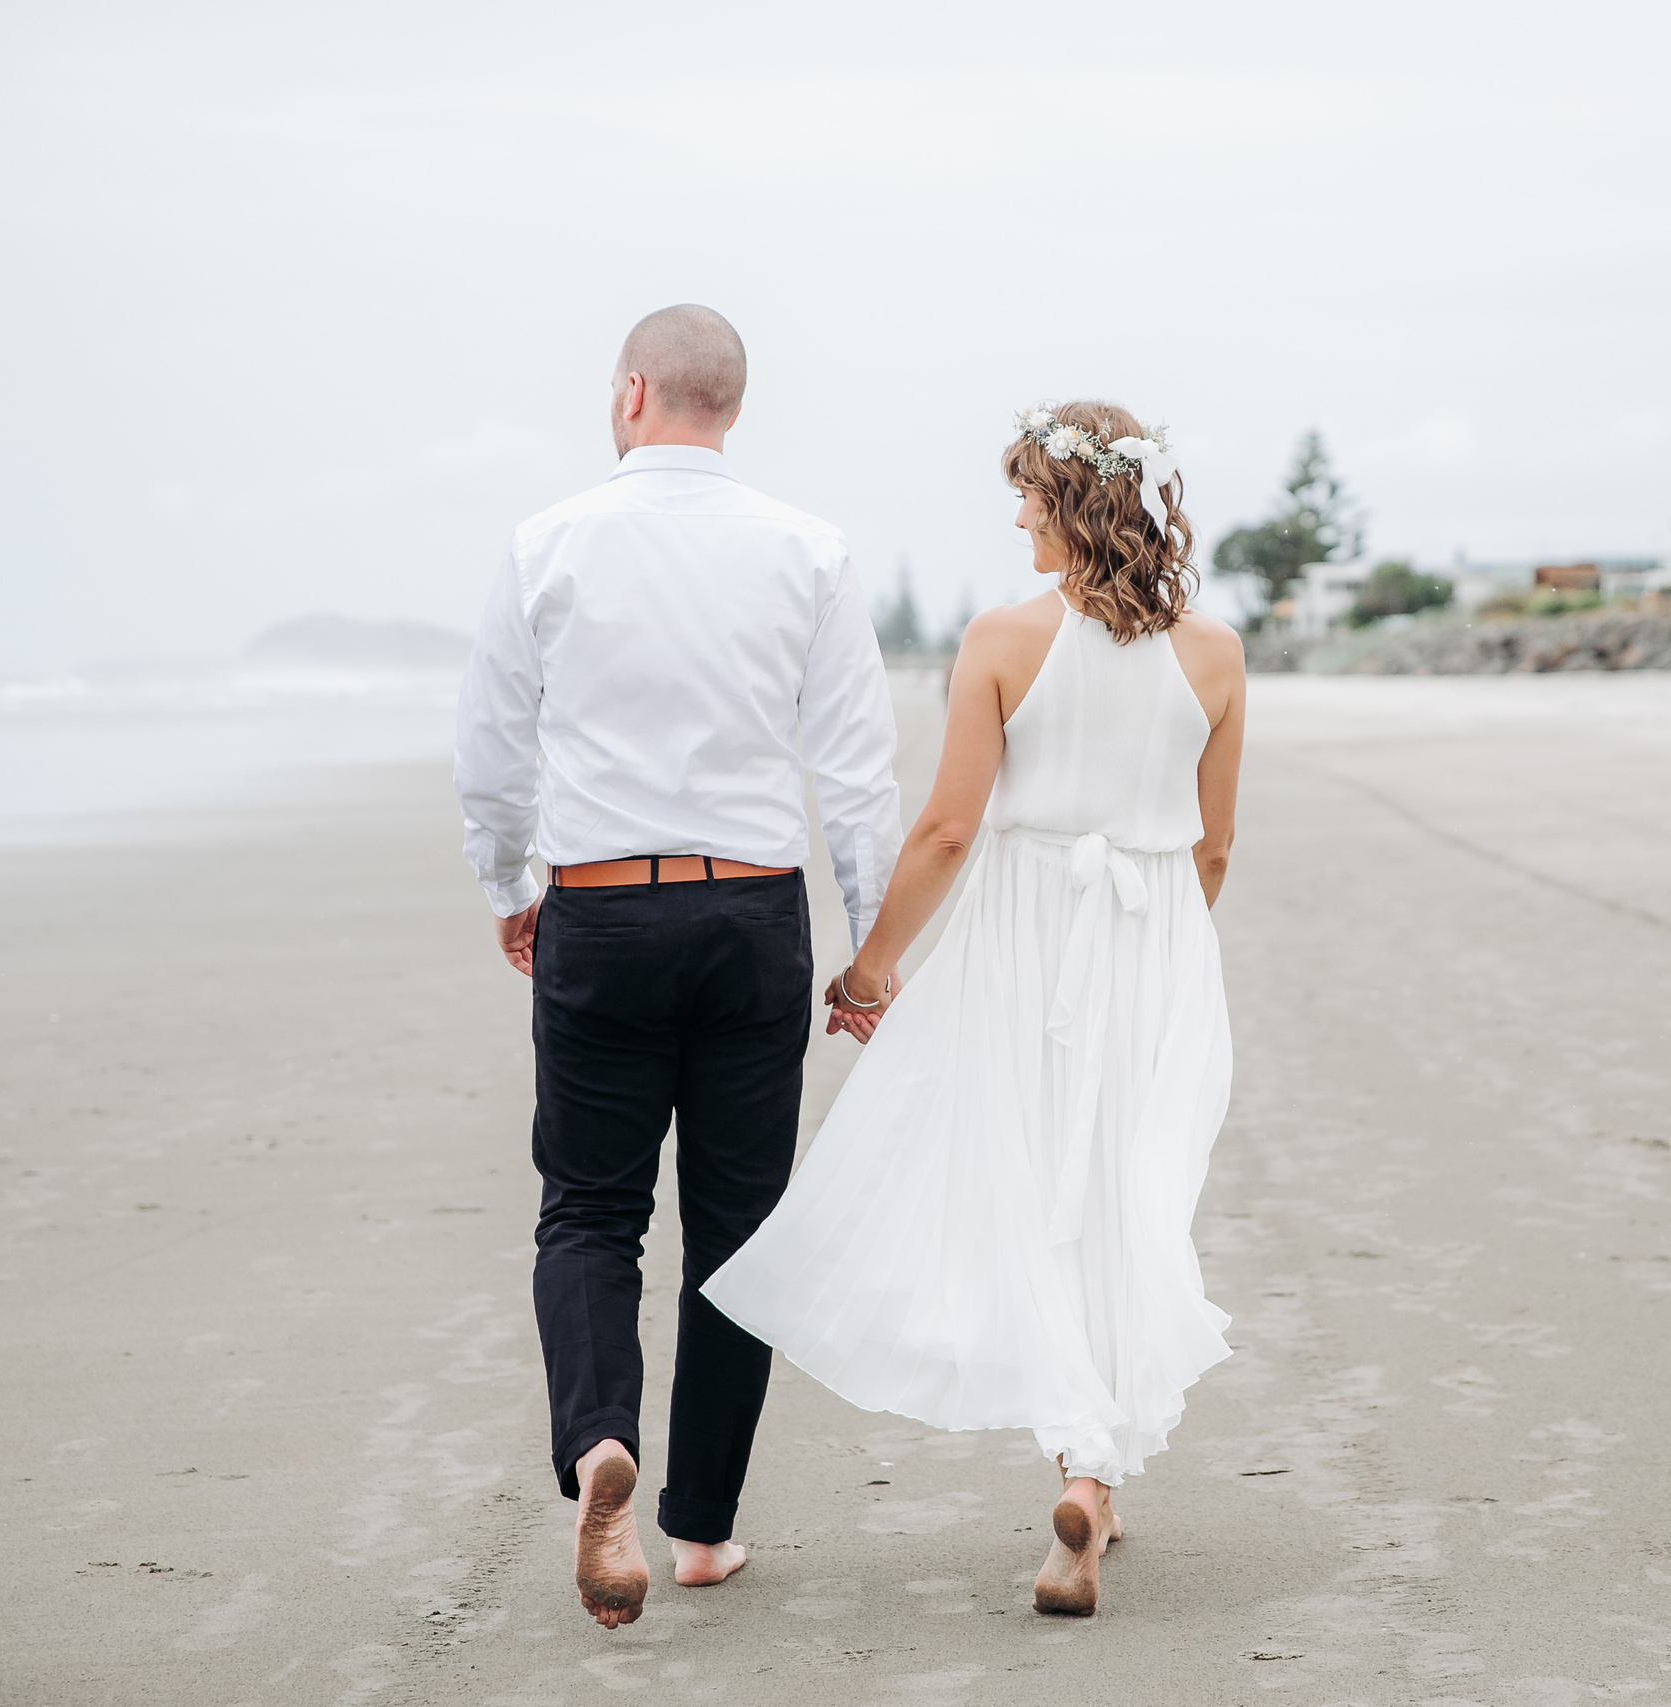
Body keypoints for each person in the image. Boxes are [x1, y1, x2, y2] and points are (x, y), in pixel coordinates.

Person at [702, 400, 1245, 1617]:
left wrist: (870, 967)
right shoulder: (1215, 652)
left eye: (1029, 496)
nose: (1016, 516)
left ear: (1074, 504)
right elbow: (1213, 847)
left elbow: (948, 829)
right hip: (1153, 938)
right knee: (1123, 1189)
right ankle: (1091, 1473)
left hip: (1024, 936)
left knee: (1027, 1187)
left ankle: (1086, 1459)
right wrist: (1162, 959)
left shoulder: (1002, 638)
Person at [452, 305, 901, 1630]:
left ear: (632, 392)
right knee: (741, 1231)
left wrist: (510, 886)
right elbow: (858, 775)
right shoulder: (807, 549)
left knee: (590, 1211)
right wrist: (870, 951)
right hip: (753, 915)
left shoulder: (549, 542)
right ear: (733, 408)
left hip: (601, 909)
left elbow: (491, 751)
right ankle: (700, 1528)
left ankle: (602, 1442)